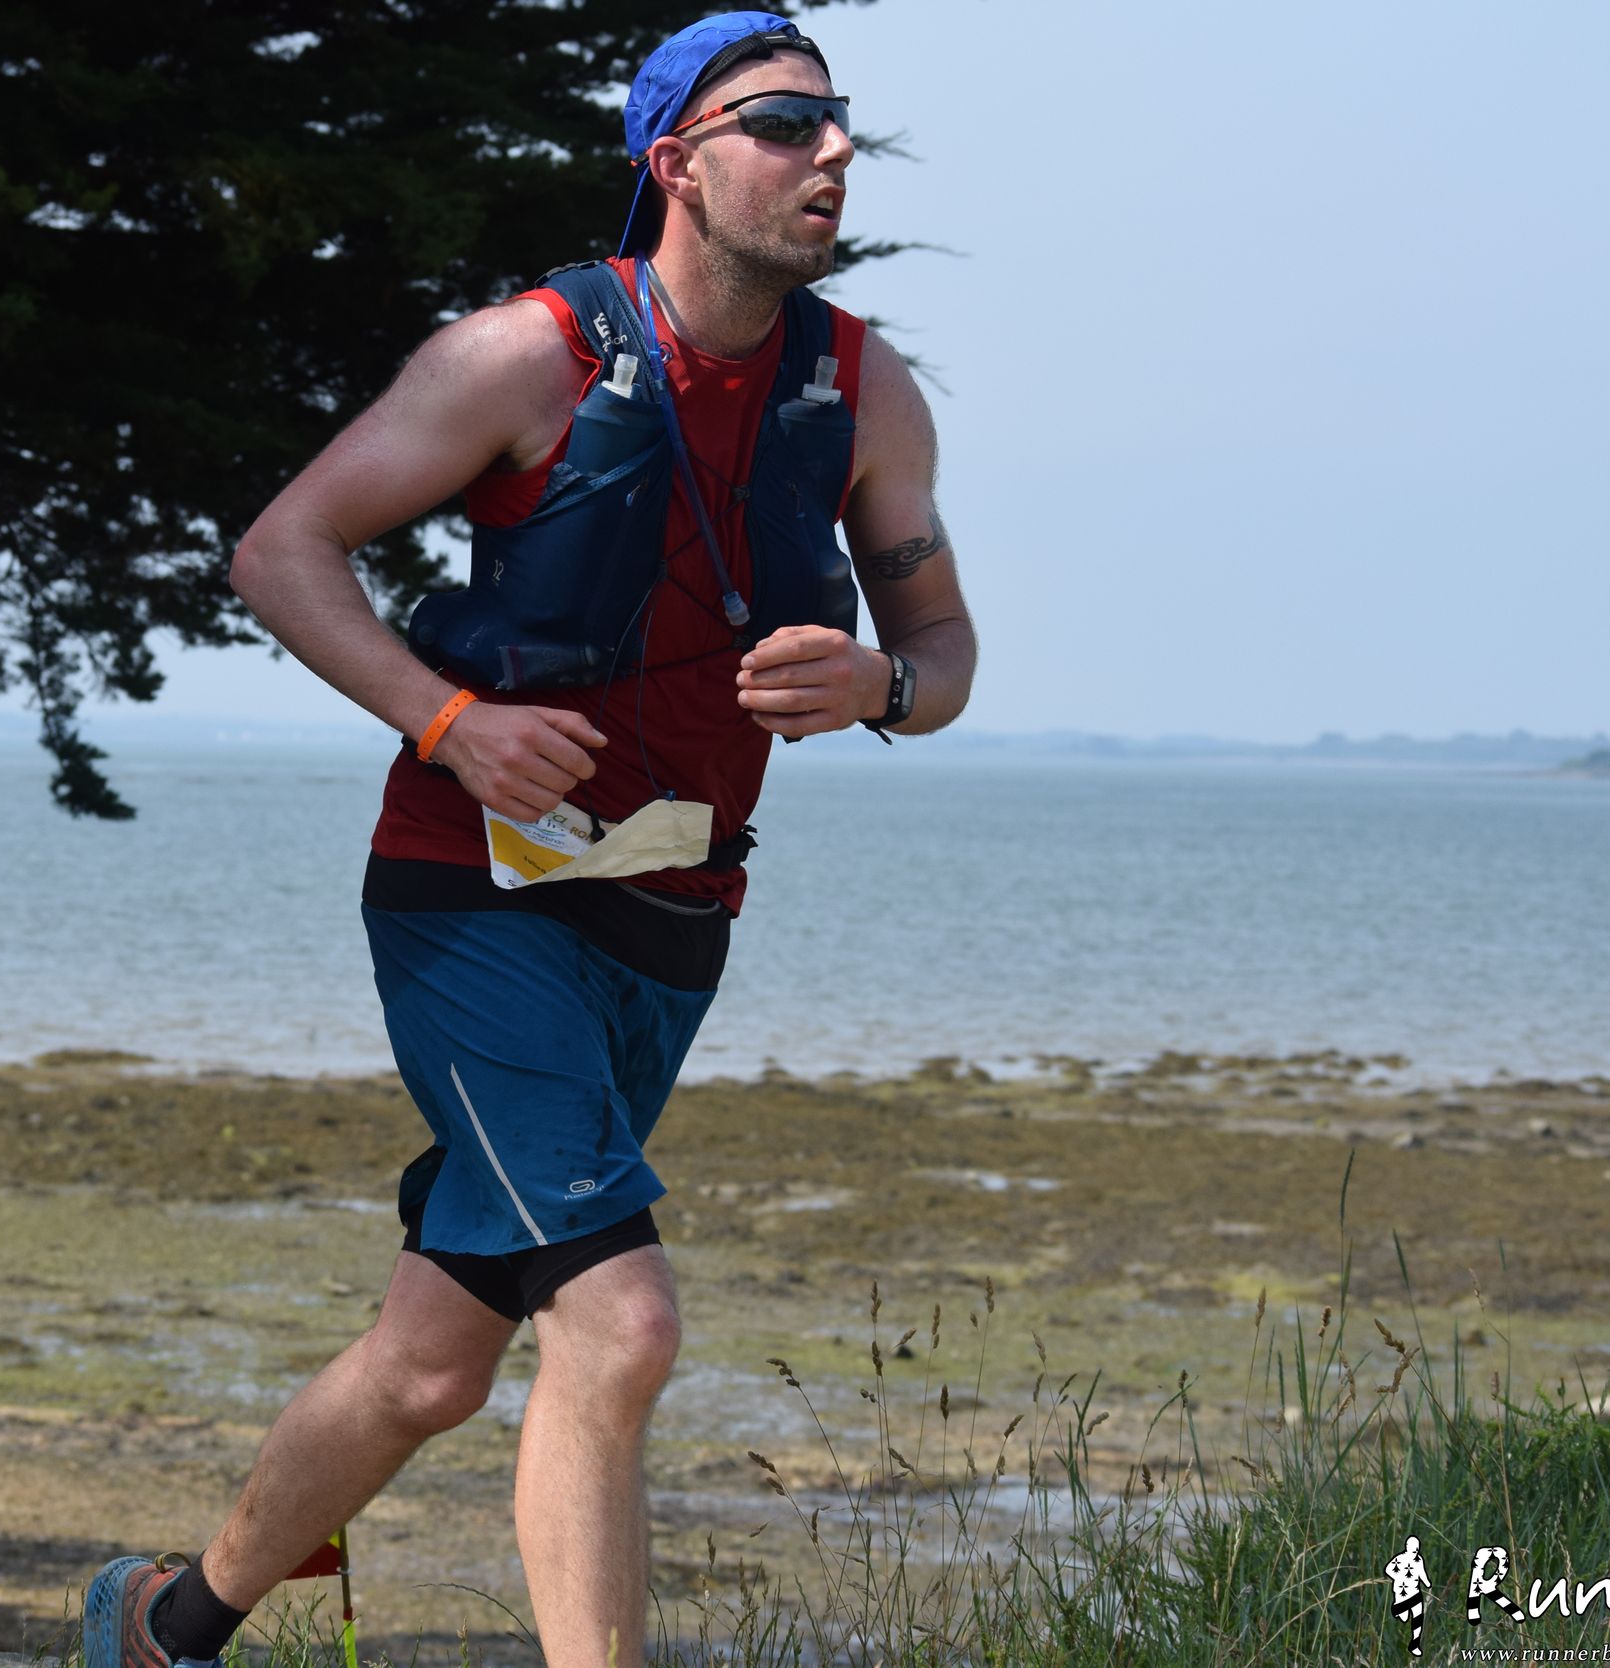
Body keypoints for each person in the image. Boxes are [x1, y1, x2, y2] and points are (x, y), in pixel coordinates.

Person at [85, 12, 975, 1667]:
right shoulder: (524, 356)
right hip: (472, 898)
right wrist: (450, 722)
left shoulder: (862, 390)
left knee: (432, 1363)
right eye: (785, 125)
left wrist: (881, 686)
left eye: (837, 121)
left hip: (677, 918)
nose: (833, 151)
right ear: (677, 164)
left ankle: (162, 1625)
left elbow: (943, 661)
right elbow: (282, 552)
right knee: (621, 1329)